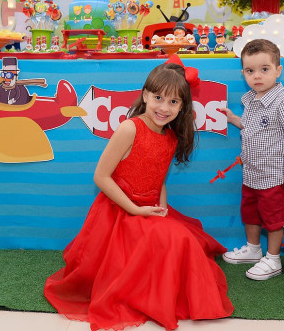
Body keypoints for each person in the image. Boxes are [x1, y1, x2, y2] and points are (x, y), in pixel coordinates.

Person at [44, 55, 233, 330]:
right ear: (145, 96)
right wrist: (135, 209)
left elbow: (160, 179)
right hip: (120, 213)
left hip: (149, 208)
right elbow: (101, 176)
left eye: (173, 102)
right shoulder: (129, 128)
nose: (164, 108)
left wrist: (162, 209)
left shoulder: (170, 137)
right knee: (180, 240)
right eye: (158, 98)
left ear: (183, 106)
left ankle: (177, 295)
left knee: (189, 240)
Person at [220, 39, 284, 281]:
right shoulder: (250, 100)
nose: (257, 76)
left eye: (264, 69)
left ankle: (273, 258)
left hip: (274, 176)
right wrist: (234, 119)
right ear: (243, 73)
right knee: (251, 213)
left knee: (274, 218)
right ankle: (253, 249)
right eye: (250, 70)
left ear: (278, 70)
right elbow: (250, 127)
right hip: (252, 174)